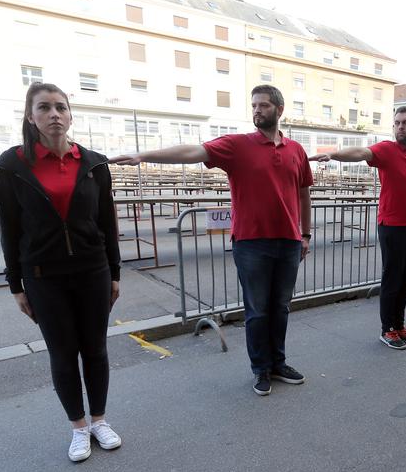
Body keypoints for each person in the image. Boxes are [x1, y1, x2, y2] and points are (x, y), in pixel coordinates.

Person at [112, 85, 313, 396]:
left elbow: (303, 193)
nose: (257, 110)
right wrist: (144, 155)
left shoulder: (296, 151)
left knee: (281, 308)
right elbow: (194, 151)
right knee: (258, 310)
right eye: (254, 105)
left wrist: (305, 233)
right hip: (251, 243)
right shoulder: (237, 145)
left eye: (263, 105)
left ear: (279, 110)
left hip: (288, 242)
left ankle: (278, 363)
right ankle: (261, 367)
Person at [0, 82, 122, 462]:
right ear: (30, 117)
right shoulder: (14, 166)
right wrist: (15, 283)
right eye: (44, 108)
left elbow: (106, 222)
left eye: (60, 107)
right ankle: (78, 427)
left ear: (70, 114)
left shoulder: (94, 163)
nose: (54, 114)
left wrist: (114, 272)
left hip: (92, 270)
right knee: (63, 353)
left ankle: (99, 420)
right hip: (43, 275)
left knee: (95, 349)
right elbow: (9, 229)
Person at [310, 107, 406, 349]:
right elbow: (361, 152)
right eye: (396, 123)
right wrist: (333, 154)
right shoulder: (386, 150)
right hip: (392, 226)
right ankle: (387, 330)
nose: (400, 127)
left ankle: (399, 325)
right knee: (392, 279)